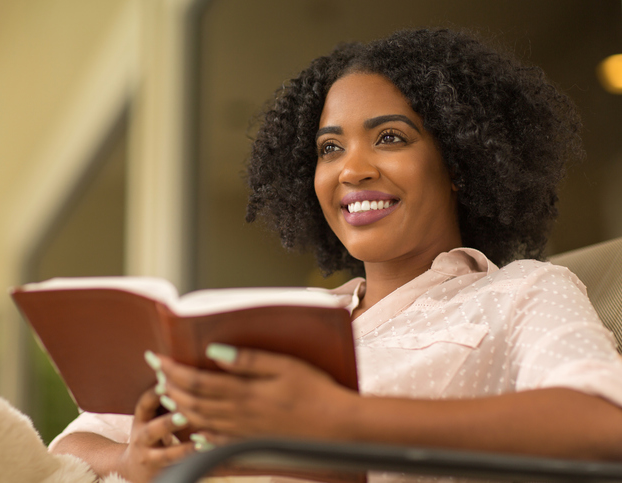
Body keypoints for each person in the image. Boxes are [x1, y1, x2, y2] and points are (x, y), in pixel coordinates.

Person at [49, 28, 622, 482]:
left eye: (390, 137)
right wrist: (129, 462)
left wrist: (340, 419)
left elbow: (605, 422)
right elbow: (74, 441)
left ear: (460, 165)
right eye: (330, 147)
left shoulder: (520, 291)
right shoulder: (281, 318)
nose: (351, 170)